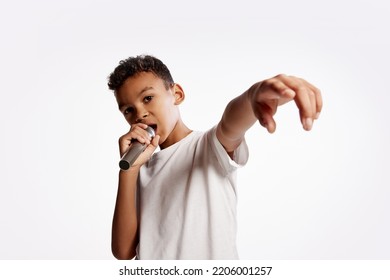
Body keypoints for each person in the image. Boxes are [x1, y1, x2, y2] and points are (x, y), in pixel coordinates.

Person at [107, 55, 322, 260]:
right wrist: (128, 170)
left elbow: (230, 124)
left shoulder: (206, 147)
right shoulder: (139, 169)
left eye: (148, 98)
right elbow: (123, 251)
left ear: (177, 94)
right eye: (128, 110)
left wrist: (251, 96)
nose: (140, 114)